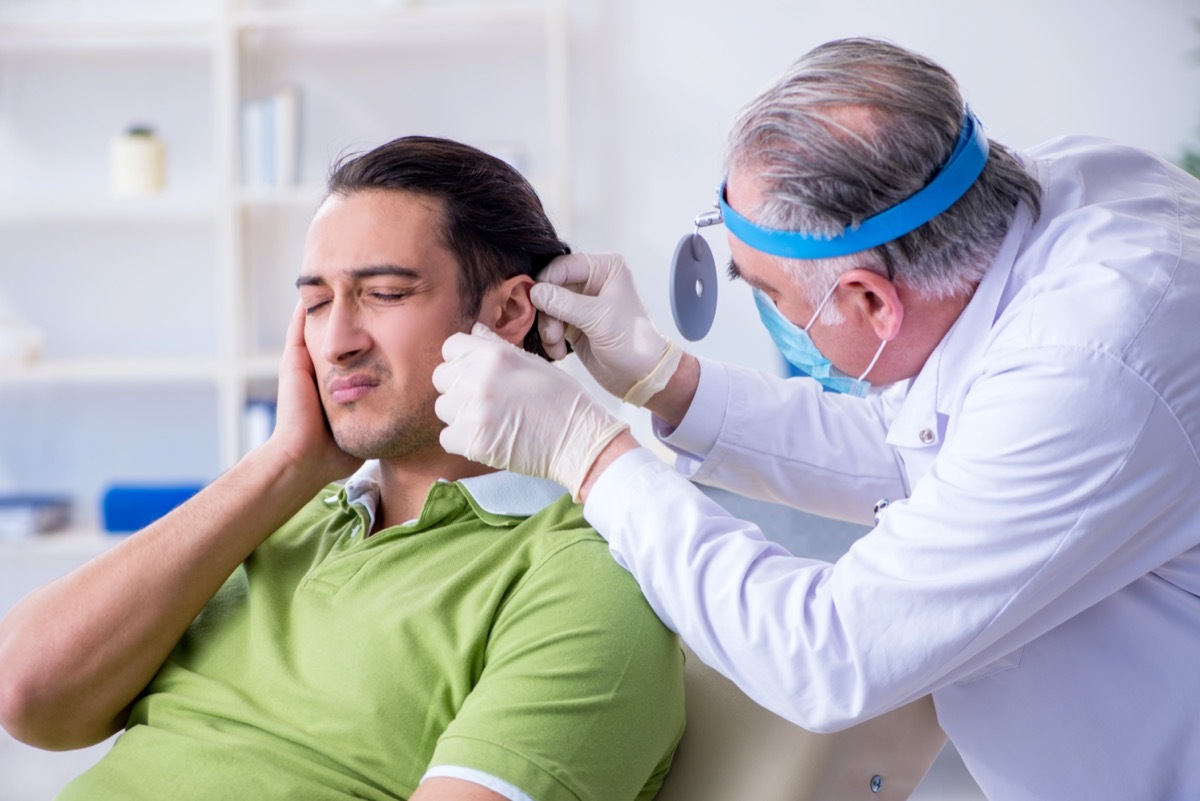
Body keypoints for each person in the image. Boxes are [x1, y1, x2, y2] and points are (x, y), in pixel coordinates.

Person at [432, 37, 1200, 800]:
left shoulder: (1090, 367)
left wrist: (590, 455)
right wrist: (672, 383)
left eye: (768, 293)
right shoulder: (1029, 200)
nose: (768, 313)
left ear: (872, 302)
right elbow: (931, 448)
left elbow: (829, 654)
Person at [0, 136, 685, 801]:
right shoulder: (275, 513)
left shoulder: (584, 573)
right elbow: (26, 696)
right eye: (318, 301)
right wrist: (285, 463)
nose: (336, 342)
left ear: (508, 311)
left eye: (384, 293)